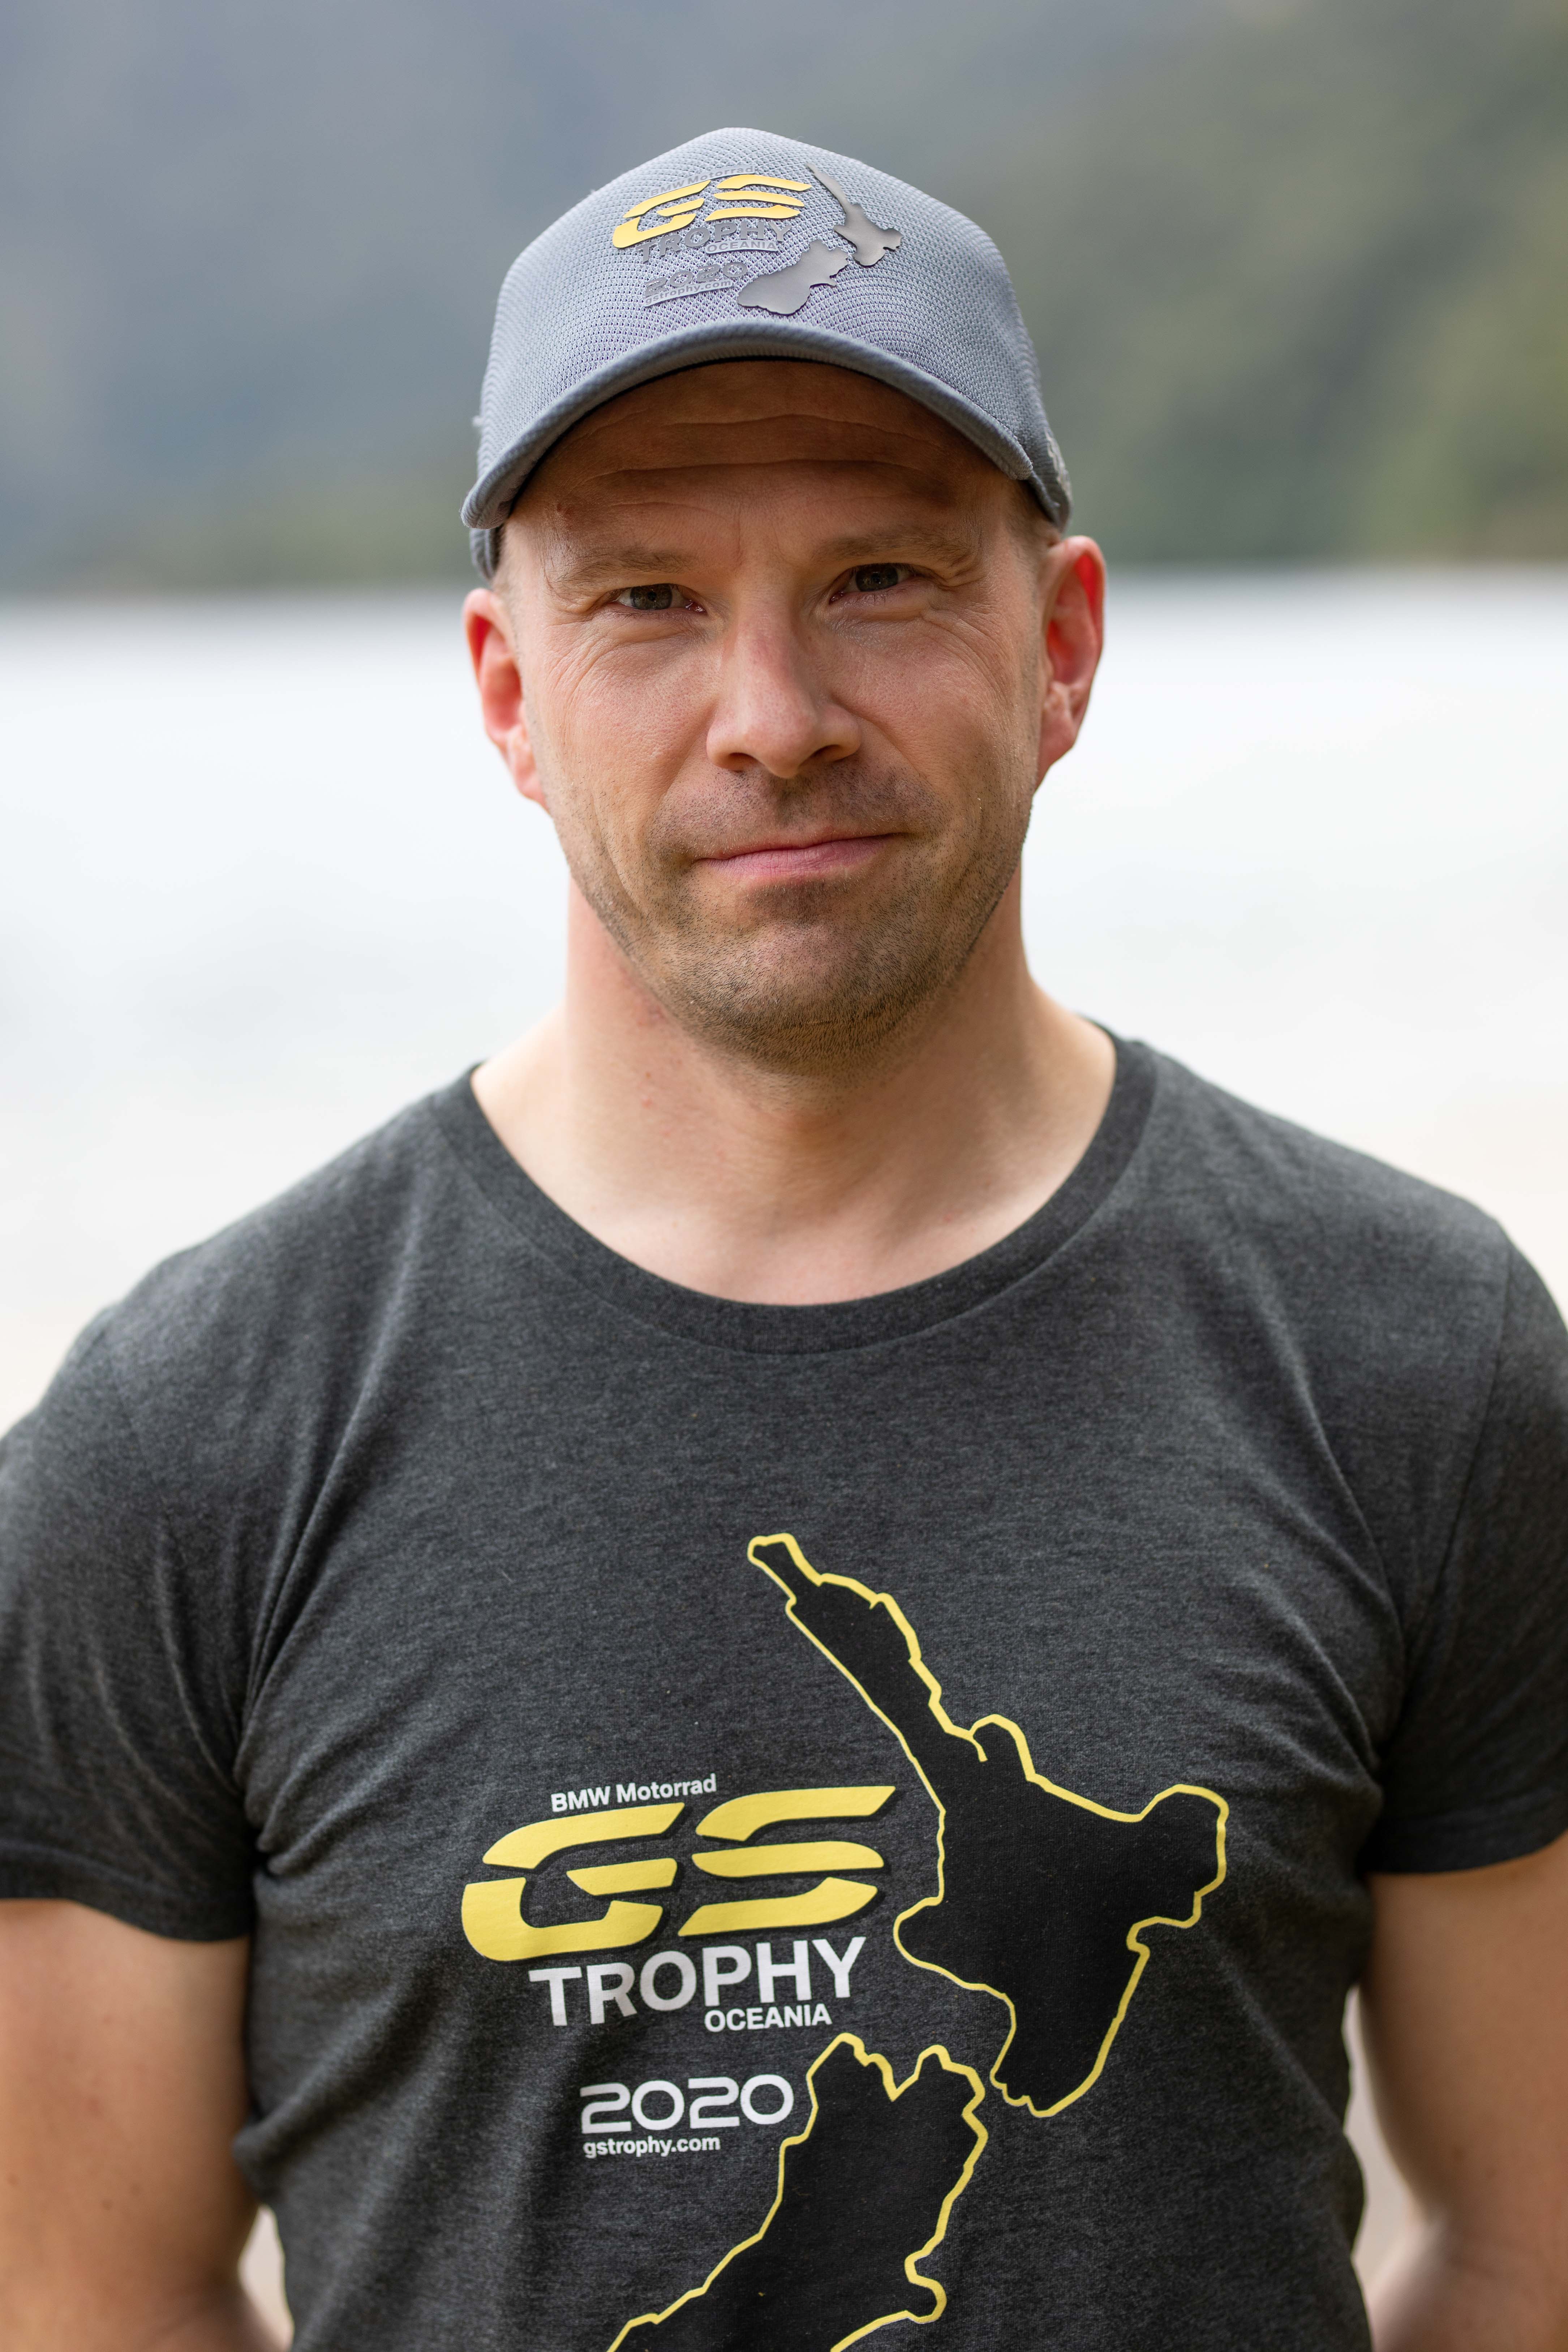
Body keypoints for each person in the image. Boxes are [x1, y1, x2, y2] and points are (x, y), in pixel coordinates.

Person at [1, 125, 1565, 2352]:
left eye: (879, 579)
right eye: (645, 601)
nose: (772, 718)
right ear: (508, 693)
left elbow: (1530, 2246)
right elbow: (87, 2293)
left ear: (1062, 645)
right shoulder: (185, 1443)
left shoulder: (1412, 1358)